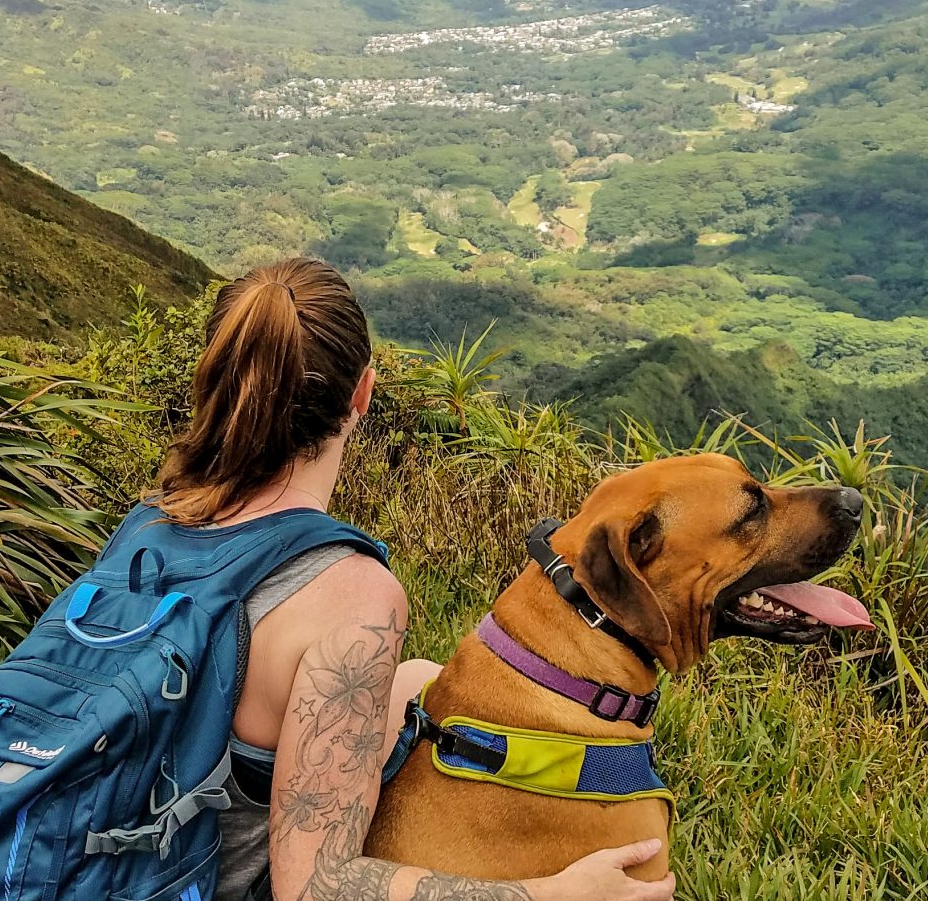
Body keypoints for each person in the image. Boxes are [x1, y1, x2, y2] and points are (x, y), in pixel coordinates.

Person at [151, 257, 676, 901]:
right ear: (363, 393)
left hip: (90, 838)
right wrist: (550, 895)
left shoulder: (153, 518)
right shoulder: (350, 596)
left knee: (419, 681)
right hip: (195, 884)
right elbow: (314, 888)